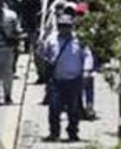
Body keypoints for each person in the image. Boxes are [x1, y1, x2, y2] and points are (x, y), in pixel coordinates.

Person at [39, 13, 94, 142]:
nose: (64, 29)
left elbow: (87, 55)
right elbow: (44, 54)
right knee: (54, 108)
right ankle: (54, 132)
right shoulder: (51, 39)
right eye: (61, 26)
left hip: (74, 80)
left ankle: (73, 132)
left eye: (67, 26)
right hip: (56, 80)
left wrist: (86, 70)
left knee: (73, 109)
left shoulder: (79, 40)